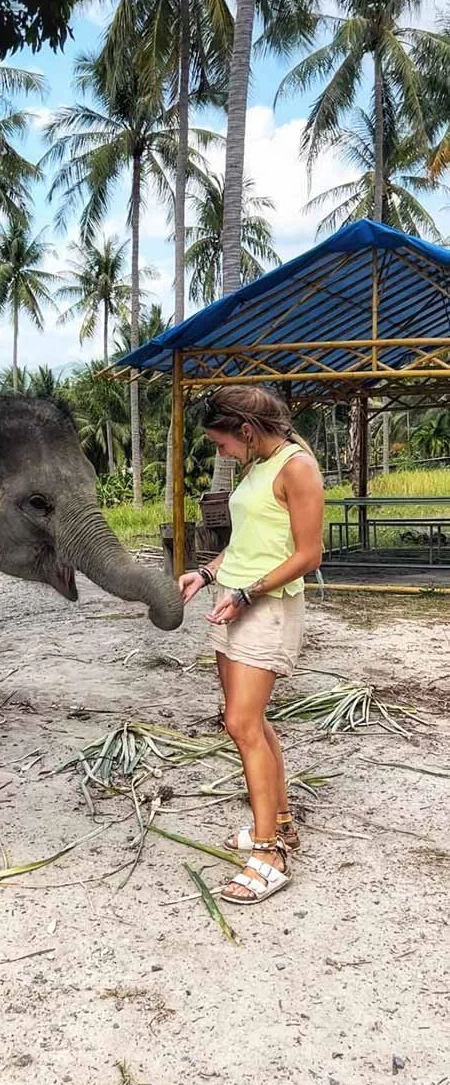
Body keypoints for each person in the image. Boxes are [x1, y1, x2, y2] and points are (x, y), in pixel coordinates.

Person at [179, 385, 324, 906]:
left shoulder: (296, 467)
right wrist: (205, 573)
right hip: (232, 601)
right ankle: (280, 824)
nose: (219, 452)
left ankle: (269, 854)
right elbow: (246, 544)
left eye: (220, 443)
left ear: (244, 429)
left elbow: (309, 555)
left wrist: (246, 592)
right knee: (249, 721)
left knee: (242, 723)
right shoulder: (257, 466)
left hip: (265, 606)